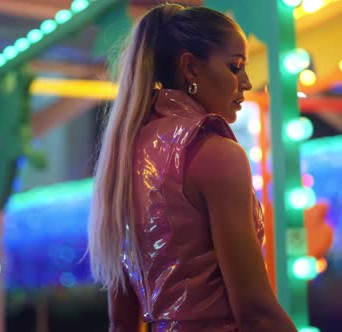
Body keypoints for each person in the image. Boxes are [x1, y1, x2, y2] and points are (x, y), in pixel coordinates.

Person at [87, 4, 297, 332]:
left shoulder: (123, 155)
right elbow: (256, 312)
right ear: (190, 68)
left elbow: (121, 322)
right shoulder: (216, 154)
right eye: (235, 66)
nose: (246, 82)